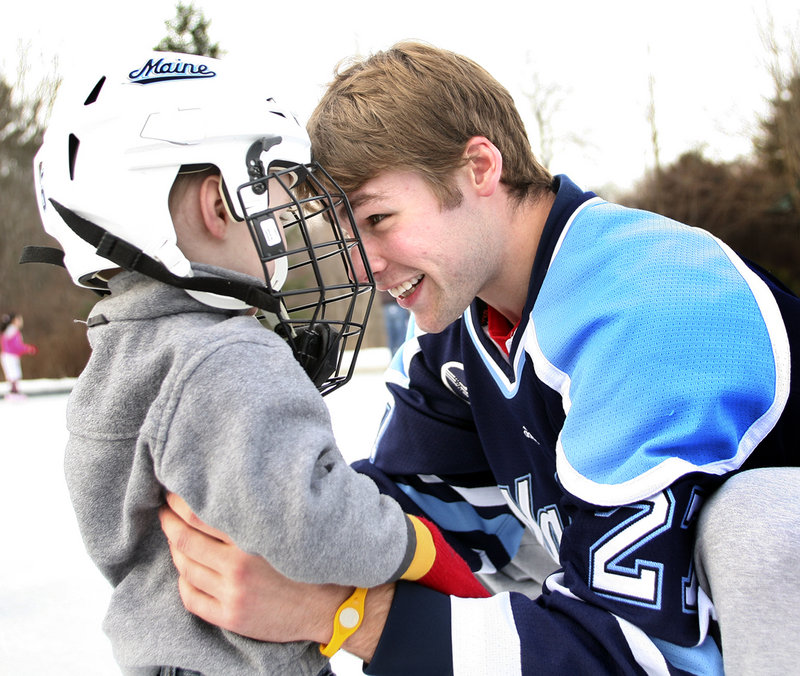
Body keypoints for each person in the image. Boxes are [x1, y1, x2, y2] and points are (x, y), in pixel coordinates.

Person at [160, 41, 800, 675]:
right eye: (348, 240)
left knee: (762, 524)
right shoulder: (461, 318)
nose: (364, 267)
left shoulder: (656, 311)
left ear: (480, 168)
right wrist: (280, 518)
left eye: (378, 219)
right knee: (524, 548)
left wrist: (339, 611)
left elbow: (642, 656)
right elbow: (420, 515)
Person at [31, 51, 489, 676]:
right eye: (266, 198)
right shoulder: (225, 352)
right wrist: (414, 545)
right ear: (218, 204)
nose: (282, 228)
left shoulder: (120, 357)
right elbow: (309, 518)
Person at [1, 312, 37, 399]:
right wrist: (28, 349)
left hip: (8, 356)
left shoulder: (9, 330)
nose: (21, 321)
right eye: (19, 319)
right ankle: (14, 393)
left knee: (13, 374)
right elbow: (16, 346)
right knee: (14, 374)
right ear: (14, 321)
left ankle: (14, 392)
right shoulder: (12, 331)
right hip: (10, 356)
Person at [379, 289, 410, 356]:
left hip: (388, 305)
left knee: (392, 335)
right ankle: (399, 357)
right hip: (397, 303)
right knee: (400, 334)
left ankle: (395, 358)